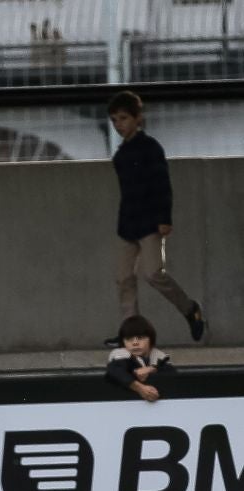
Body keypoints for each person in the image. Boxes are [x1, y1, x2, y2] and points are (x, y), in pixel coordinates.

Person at [108, 90, 207, 346]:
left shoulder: (150, 148)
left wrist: (164, 218)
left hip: (149, 222)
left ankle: (189, 308)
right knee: (123, 278)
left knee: (152, 273)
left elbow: (162, 184)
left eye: (124, 118)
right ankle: (130, 333)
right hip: (128, 224)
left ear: (138, 118)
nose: (119, 125)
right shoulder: (121, 155)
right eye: (115, 120)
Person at [106, 314, 174, 403]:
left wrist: (151, 369)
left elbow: (172, 374)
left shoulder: (158, 357)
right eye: (129, 339)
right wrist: (140, 388)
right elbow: (114, 370)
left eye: (140, 338)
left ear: (151, 340)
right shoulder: (121, 356)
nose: (135, 343)